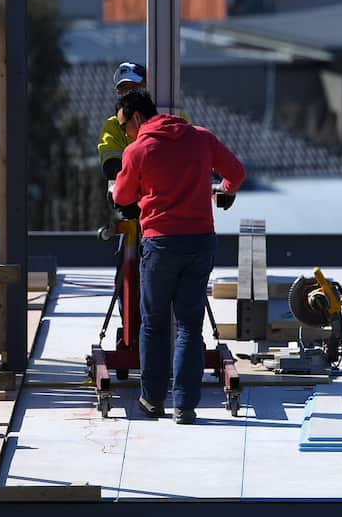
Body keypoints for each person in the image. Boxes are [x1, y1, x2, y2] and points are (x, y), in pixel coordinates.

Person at [111, 89, 245, 424]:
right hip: (200, 242)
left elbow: (122, 196)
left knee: (154, 323)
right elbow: (236, 174)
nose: (125, 132)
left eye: (124, 124)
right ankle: (185, 406)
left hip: (161, 245)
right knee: (189, 325)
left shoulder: (138, 149)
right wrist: (223, 191)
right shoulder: (200, 137)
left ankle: (153, 400)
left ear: (136, 116)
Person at [97, 61, 147, 179]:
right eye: (124, 89)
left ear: (146, 86)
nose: (129, 93)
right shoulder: (113, 125)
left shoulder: (170, 115)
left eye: (134, 87)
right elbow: (111, 166)